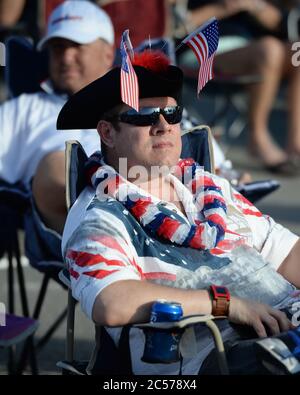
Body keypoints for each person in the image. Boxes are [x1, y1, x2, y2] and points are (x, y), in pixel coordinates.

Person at [58, 49, 300, 375]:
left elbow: (288, 255)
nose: (163, 125)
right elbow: (112, 302)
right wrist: (227, 304)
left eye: (172, 114)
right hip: (223, 356)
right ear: (107, 132)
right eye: (144, 115)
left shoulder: (210, 188)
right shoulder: (99, 215)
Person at [0, 0, 115, 237]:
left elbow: (209, 159)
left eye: (76, 45)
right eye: (57, 47)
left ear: (108, 53)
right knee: (58, 165)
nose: (65, 57)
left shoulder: (146, 103)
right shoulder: (24, 109)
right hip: (75, 231)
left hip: (161, 212)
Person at [182, 0, 300, 174]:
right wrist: (223, 7)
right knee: (269, 49)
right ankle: (257, 137)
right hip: (202, 51)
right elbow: (174, 26)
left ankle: (296, 143)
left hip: (254, 51)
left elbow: (284, 26)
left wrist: (256, 7)